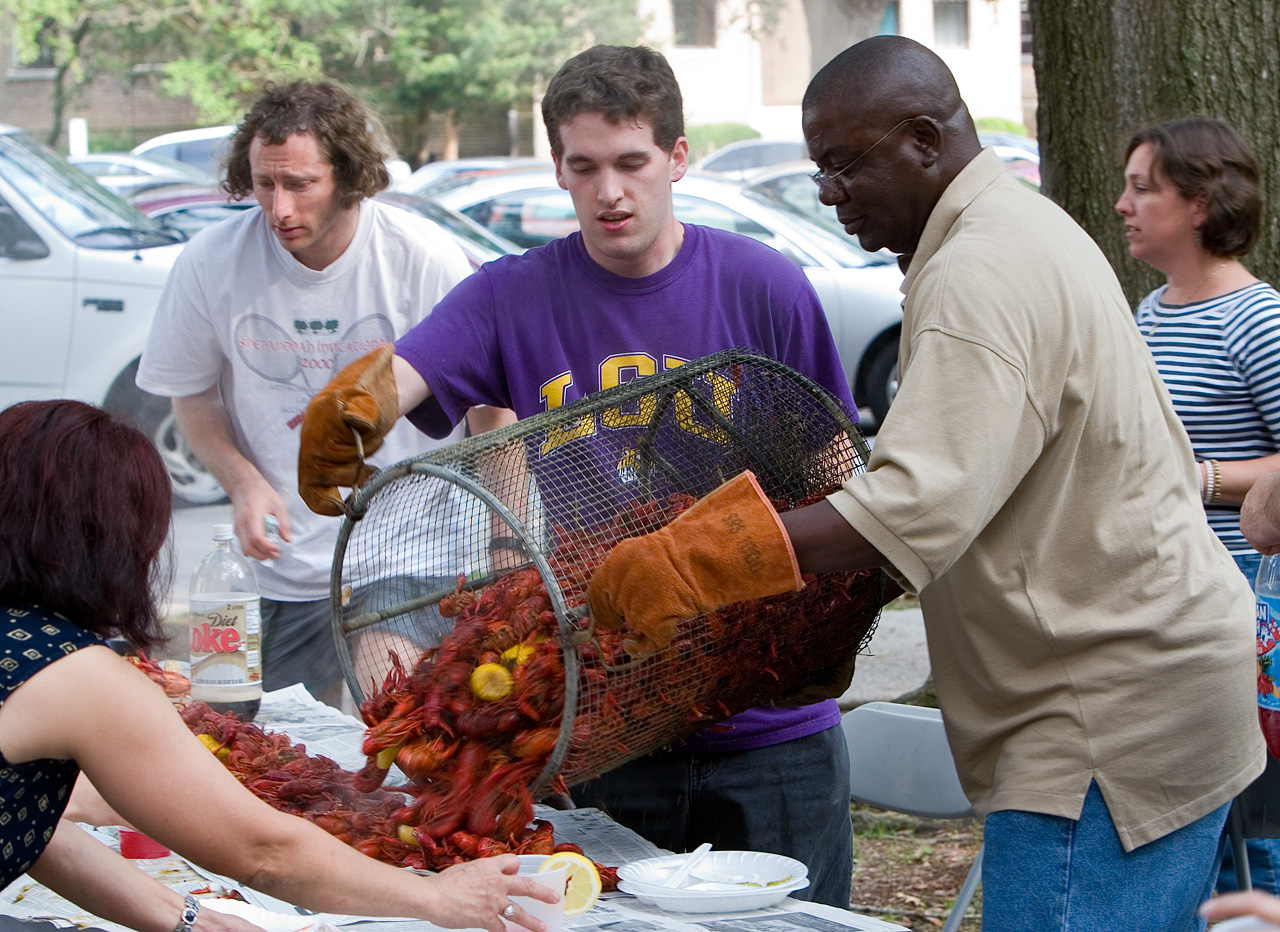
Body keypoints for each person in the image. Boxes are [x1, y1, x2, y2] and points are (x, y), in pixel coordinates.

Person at [579, 36, 1264, 931]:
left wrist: (696, 561)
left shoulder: (981, 266)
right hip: (1148, 696)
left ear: (923, 140)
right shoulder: (1008, 228)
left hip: (1105, 725)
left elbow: (912, 503)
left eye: (842, 165)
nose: (827, 193)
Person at [297, 45, 858, 908]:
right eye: (585, 166)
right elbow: (410, 372)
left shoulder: (764, 288)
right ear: (558, 166)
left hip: (771, 729)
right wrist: (357, 408)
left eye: (632, 163)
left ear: (676, 158)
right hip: (604, 720)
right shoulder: (510, 298)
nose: (610, 193)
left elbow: (837, 479)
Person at [0, 400, 556, 932]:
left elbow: (34, 827)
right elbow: (263, 852)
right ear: (109, 544)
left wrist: (187, 918)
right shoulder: (76, 675)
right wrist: (435, 897)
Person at [136, 80, 507, 708]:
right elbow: (190, 397)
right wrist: (244, 482)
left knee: (397, 723)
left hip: (408, 550)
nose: (280, 208)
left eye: (301, 185)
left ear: (349, 176)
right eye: (263, 184)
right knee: (263, 745)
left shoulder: (420, 257)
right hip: (276, 564)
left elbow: (491, 407)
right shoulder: (208, 262)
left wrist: (502, 540)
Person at [1116, 116, 1280, 894]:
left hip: (1250, 609)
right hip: (1170, 608)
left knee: (1257, 823)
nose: (1123, 203)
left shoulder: (1258, 319)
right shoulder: (1152, 312)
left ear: (1203, 203)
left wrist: (1204, 479)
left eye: (1143, 188)